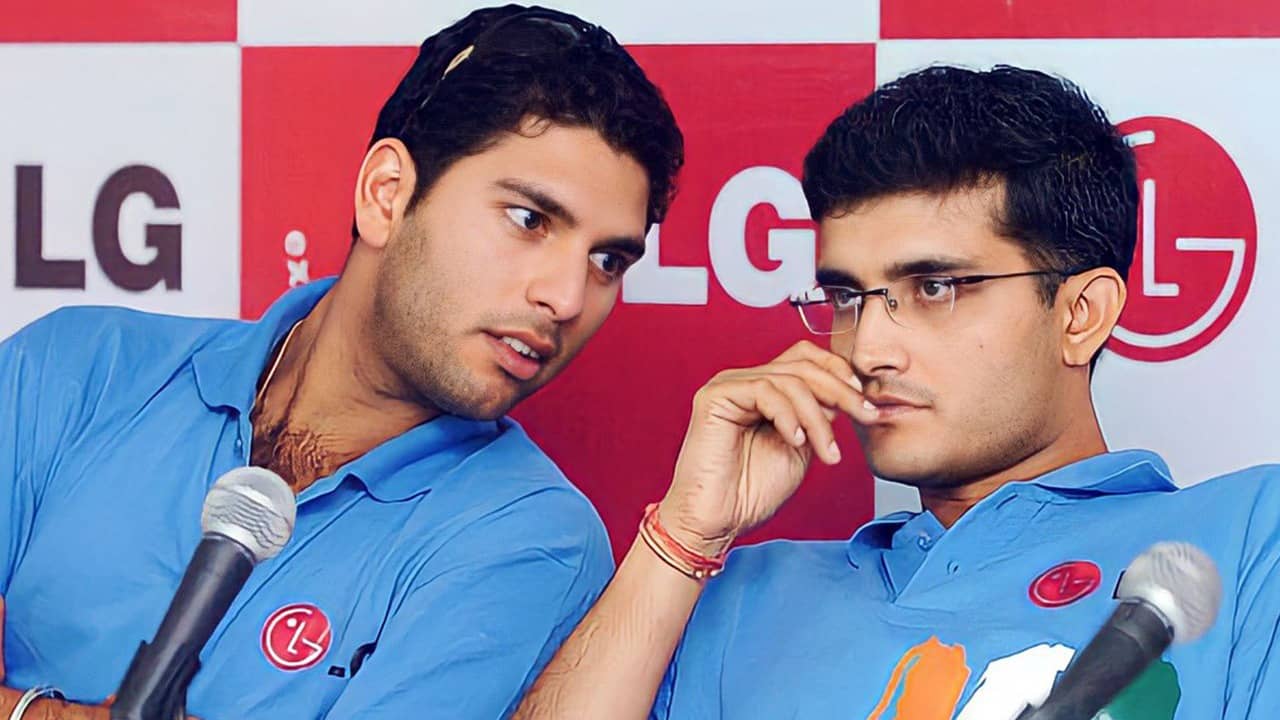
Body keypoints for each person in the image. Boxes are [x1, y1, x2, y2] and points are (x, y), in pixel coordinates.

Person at [513, 65, 1280, 719]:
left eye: (935, 287)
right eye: (848, 297)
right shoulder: (740, 592)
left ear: (1081, 314)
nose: (868, 349)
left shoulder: (1249, 536)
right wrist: (685, 538)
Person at [0, 5, 682, 719]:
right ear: (386, 195)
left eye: (608, 261)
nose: (567, 298)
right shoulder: (81, 369)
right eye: (529, 219)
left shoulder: (535, 540)